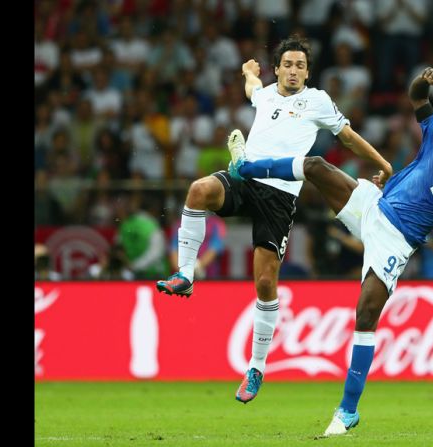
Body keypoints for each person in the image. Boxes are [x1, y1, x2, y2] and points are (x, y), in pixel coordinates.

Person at [225, 67, 433, 436]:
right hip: (372, 206)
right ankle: (246, 167)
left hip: (395, 241)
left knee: (366, 314)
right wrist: (424, 81)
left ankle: (347, 411)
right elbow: (417, 98)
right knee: (315, 166)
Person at [155, 35, 392, 404]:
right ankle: (186, 274)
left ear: (307, 72)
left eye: (300, 65)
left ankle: (256, 366)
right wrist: (249, 72)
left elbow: (347, 137)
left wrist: (382, 163)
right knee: (199, 190)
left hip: (279, 196)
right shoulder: (264, 94)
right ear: (277, 69)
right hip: (244, 178)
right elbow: (252, 87)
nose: (293, 71)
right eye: (288, 64)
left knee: (265, 283)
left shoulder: (317, 101)